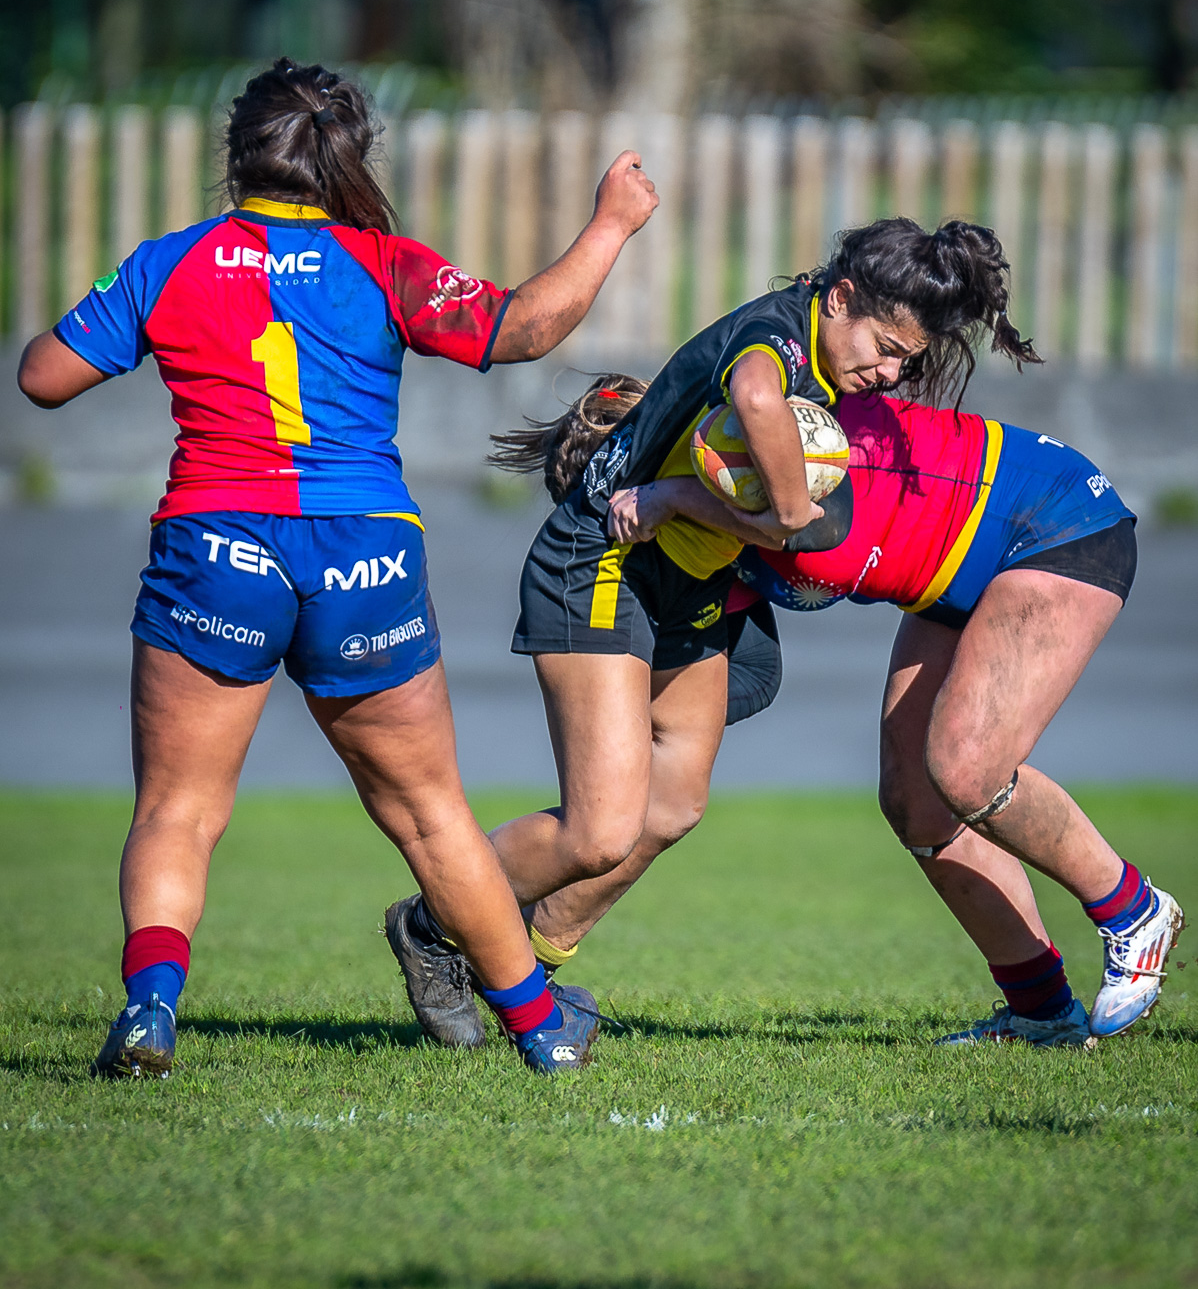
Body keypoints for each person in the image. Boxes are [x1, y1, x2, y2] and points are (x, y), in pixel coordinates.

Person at [17, 58, 658, 1078]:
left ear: (236, 156)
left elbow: (43, 378)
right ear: (348, 158)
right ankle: (542, 1030)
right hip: (362, 552)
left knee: (178, 810)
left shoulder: (172, 261)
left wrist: (124, 297)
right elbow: (523, 328)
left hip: (215, 546)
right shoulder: (383, 263)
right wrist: (613, 224)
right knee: (429, 813)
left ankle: (149, 1010)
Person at [395, 218, 1038, 1046]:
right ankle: (429, 923)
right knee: (601, 828)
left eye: (904, 362)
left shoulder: (834, 361)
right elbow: (758, 402)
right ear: (838, 297)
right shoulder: (775, 339)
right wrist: (796, 515)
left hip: (685, 577)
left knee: (671, 804)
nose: (888, 372)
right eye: (882, 347)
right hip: (604, 558)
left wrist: (737, 515)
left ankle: (518, 957)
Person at [608, 387, 1186, 1047]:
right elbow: (738, 668)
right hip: (951, 577)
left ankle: (1133, 909)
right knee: (917, 800)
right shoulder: (712, 513)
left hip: (1054, 523)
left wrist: (672, 500)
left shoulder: (758, 462)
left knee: (968, 769)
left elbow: (798, 498)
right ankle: (1041, 1011)